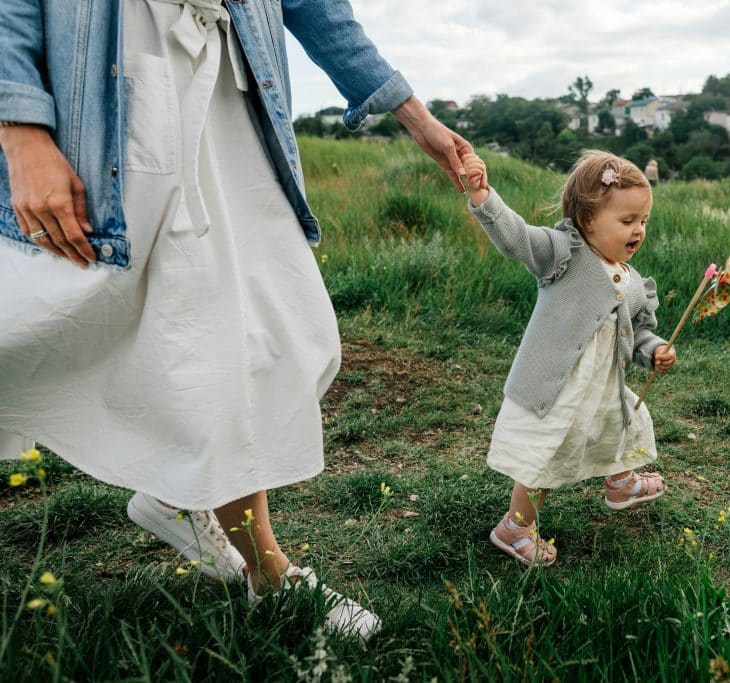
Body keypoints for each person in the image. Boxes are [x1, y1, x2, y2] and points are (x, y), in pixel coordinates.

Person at [0, 0, 477, 640]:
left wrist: (416, 118)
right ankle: (214, 525)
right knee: (33, 319)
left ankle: (220, 532)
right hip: (108, 100)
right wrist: (20, 130)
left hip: (232, 101)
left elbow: (314, 6)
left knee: (267, 333)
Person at [460, 150, 676, 566]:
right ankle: (515, 528)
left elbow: (640, 332)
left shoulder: (632, 283)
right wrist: (483, 197)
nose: (639, 230)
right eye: (627, 221)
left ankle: (620, 484)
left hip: (601, 387)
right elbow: (518, 237)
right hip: (556, 390)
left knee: (623, 423)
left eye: (644, 221)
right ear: (589, 218)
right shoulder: (564, 255)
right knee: (547, 457)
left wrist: (655, 350)